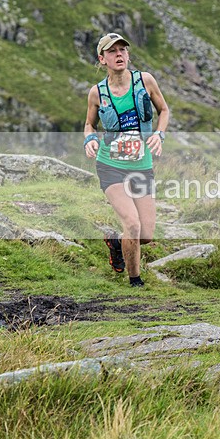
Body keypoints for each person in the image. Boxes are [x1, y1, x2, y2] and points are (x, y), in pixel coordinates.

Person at [84, 32, 170, 287]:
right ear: (102, 59)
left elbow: (164, 110)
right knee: (132, 224)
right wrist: (90, 139)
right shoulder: (97, 93)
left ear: (128, 55)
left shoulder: (145, 81)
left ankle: (116, 242)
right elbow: (89, 124)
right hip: (110, 166)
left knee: (145, 235)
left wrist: (159, 134)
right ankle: (135, 281)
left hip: (142, 166)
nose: (119, 54)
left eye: (122, 49)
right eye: (112, 51)